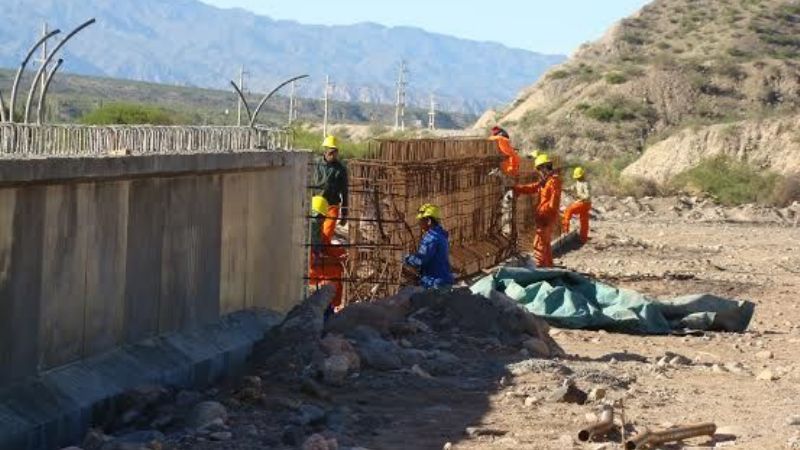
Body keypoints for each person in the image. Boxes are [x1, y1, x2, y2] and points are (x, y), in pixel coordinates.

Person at [512, 154, 562, 268]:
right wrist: (516, 188)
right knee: (546, 244)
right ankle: (548, 267)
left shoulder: (553, 181)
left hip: (546, 218)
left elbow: (554, 203)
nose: (539, 172)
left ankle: (538, 268)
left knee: (539, 244)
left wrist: (545, 215)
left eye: (539, 169)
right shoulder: (545, 181)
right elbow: (533, 187)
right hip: (543, 217)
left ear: (544, 167)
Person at [308, 195, 346, 321]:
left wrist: (340, 252)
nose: (320, 220)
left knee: (336, 269)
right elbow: (310, 258)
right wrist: (332, 260)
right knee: (334, 272)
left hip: (315, 262)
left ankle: (330, 306)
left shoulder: (316, 229)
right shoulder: (307, 230)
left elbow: (325, 245)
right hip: (308, 266)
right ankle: (328, 308)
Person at [403, 203, 455, 289]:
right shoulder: (441, 234)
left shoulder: (431, 238)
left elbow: (421, 260)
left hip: (434, 283)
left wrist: (406, 258)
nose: (419, 223)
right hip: (444, 280)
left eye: (421, 220)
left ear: (429, 221)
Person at [311, 135, 349, 244]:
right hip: (316, 206)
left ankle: (321, 257)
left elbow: (345, 192)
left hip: (332, 206)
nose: (333, 155)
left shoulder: (341, 169)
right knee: (313, 234)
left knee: (326, 236)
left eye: (335, 152)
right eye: (331, 152)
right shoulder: (314, 164)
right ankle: (316, 256)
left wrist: (344, 213)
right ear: (325, 151)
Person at [562, 166, 592, 243]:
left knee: (568, 210)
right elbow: (572, 188)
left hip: (584, 203)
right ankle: (583, 238)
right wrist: (565, 189)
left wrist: (579, 196)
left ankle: (565, 231)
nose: (577, 178)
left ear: (582, 175)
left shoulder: (586, 184)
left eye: (578, 177)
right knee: (584, 221)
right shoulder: (578, 182)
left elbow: (587, 196)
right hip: (583, 203)